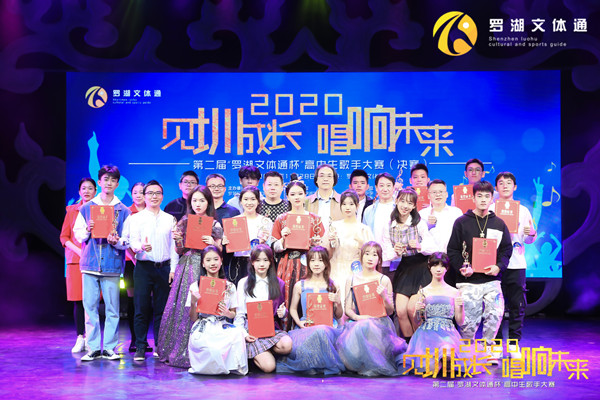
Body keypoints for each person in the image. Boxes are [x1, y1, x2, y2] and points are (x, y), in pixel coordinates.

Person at [447, 180, 513, 364]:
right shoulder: (461, 222)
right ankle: (466, 351)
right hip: (468, 280)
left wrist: (498, 266)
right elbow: (452, 250)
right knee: (468, 320)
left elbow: (506, 249)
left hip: (492, 280)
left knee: (495, 314)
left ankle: (488, 351)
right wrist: (462, 267)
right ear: (473, 198)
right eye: (480, 196)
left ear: (492, 199)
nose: (483, 199)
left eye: (487, 196)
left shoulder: (499, 223)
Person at [157, 185, 223, 368]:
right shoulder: (184, 221)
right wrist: (177, 239)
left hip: (205, 268)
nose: (198, 204)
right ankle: (179, 349)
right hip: (186, 267)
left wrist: (213, 243)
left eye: (202, 200)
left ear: (208, 202)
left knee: (204, 306)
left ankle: (203, 352)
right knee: (182, 307)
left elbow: (220, 251)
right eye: (194, 200)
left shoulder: (215, 224)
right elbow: (179, 250)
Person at [73, 165, 131, 361]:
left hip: (112, 265)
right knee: (90, 308)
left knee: (113, 309)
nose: (109, 183)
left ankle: (109, 348)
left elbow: (127, 240)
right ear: (99, 182)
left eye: (113, 180)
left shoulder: (123, 210)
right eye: (106, 179)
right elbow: (78, 235)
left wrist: (117, 241)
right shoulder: (86, 208)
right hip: (90, 265)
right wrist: (88, 230)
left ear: (117, 184)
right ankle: (93, 348)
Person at [336, 242, 407, 376]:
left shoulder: (384, 280)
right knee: (363, 326)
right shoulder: (352, 279)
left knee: (368, 326)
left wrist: (384, 296)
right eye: (367, 254)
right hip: (359, 322)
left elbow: (390, 311)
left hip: (380, 323)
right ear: (361, 256)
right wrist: (358, 317)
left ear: (379, 259)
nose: (370, 258)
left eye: (374, 255)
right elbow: (347, 309)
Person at [127, 180, 179, 362]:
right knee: (141, 308)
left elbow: (173, 247)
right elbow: (131, 240)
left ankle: (160, 345)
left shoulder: (170, 219)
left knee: (162, 310)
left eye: (157, 193)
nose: (154, 196)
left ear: (162, 196)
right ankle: (141, 346)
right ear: (144, 196)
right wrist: (140, 247)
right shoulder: (135, 218)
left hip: (164, 267)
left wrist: (173, 269)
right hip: (143, 267)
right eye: (150, 193)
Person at [276, 246, 345, 375]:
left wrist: (338, 302)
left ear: (326, 263)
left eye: (320, 260)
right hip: (306, 327)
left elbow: (339, 315)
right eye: (312, 260)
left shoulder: (333, 285)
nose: (316, 264)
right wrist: (299, 322)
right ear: (308, 263)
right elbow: (293, 309)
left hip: (327, 328)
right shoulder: (300, 285)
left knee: (322, 332)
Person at [490, 172, 537, 359]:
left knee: (517, 306)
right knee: (495, 307)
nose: (505, 186)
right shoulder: (490, 209)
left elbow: (529, 239)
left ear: (515, 187)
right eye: (501, 183)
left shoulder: (523, 210)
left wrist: (531, 233)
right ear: (496, 188)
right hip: (494, 265)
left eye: (509, 183)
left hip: (516, 264)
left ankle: (513, 344)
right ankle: (495, 345)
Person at [382, 188, 436, 342]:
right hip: (404, 268)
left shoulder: (419, 224)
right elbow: (386, 254)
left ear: (414, 206)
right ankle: (409, 345)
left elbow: (433, 248)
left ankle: (420, 344)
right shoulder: (389, 225)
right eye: (402, 201)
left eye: (410, 203)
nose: (405, 206)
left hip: (421, 267)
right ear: (396, 201)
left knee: (413, 309)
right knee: (400, 311)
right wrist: (396, 252)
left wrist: (419, 246)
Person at [399, 253, 465, 376]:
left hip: (447, 332)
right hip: (427, 333)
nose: (438, 269)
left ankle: (444, 362)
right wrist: (417, 311)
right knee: (428, 366)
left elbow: (460, 322)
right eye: (435, 265)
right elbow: (417, 321)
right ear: (429, 267)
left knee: (447, 349)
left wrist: (461, 307)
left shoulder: (455, 292)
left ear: (447, 268)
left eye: (442, 266)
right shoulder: (423, 291)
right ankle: (440, 364)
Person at [187, 246, 248, 375]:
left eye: (216, 259)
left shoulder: (229, 286)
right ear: (203, 263)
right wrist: (193, 302)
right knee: (212, 347)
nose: (213, 263)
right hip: (204, 325)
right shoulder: (195, 286)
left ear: (221, 261)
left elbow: (233, 313)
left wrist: (226, 313)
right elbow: (193, 318)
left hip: (221, 324)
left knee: (238, 334)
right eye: (208, 260)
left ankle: (230, 367)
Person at [271, 180, 325, 317]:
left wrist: (316, 244)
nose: (297, 197)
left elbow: (323, 247)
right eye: (293, 194)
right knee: (287, 299)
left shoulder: (315, 219)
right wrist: (282, 239)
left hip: (309, 265)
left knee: (308, 298)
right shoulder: (281, 219)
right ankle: (287, 327)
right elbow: (273, 247)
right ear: (287, 196)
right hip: (287, 265)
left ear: (305, 195)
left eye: (300, 194)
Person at [235, 244, 292, 373]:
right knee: (269, 367)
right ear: (252, 262)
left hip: (270, 329)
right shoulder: (243, 283)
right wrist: (244, 334)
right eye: (258, 260)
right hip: (251, 331)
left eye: (265, 260)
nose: (262, 264)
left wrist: (283, 313)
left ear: (270, 262)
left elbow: (282, 310)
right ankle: (257, 353)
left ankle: (262, 350)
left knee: (287, 344)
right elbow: (239, 314)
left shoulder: (279, 283)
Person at [60, 177, 96, 353]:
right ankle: (80, 337)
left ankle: (91, 337)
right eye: (84, 188)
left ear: (95, 191)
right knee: (79, 300)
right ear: (79, 191)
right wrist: (79, 251)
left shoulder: (100, 209)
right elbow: (64, 237)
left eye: (90, 188)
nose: (86, 191)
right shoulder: (72, 210)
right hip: (75, 260)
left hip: (95, 260)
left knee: (92, 301)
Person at [327, 190, 374, 306]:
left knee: (353, 306)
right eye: (344, 204)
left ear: (357, 206)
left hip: (356, 272)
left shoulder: (364, 229)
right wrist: (331, 243)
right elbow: (326, 253)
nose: (347, 207)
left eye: (351, 204)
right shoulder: (334, 226)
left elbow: (372, 255)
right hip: (335, 271)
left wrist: (362, 246)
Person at [222, 185, 273, 287]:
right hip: (238, 265)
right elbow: (227, 250)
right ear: (241, 201)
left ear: (258, 201)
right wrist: (225, 243)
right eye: (245, 199)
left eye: (253, 199)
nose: (249, 203)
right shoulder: (233, 222)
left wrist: (264, 243)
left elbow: (270, 247)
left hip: (260, 264)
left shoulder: (266, 222)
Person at [418, 179, 463, 286]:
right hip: (429, 261)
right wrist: (428, 226)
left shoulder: (456, 212)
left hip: (451, 260)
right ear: (428, 195)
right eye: (434, 192)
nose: (438, 195)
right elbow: (419, 238)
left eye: (441, 192)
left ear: (446, 194)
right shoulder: (422, 214)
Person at [124, 182, 145, 352]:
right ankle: (134, 339)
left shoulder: (152, 212)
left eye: (141, 192)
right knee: (132, 301)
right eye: (135, 192)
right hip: (131, 263)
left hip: (148, 262)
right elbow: (124, 239)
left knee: (147, 302)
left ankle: (144, 339)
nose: (138, 195)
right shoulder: (126, 213)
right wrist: (133, 257)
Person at [363, 173, 396, 255]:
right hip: (374, 257)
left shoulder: (400, 209)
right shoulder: (369, 210)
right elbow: (365, 236)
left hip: (396, 257)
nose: (385, 189)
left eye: (388, 186)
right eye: (381, 185)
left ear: (393, 188)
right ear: (376, 188)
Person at [306, 164, 343, 232]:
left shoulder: (343, 201)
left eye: (329, 176)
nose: (325, 179)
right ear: (316, 179)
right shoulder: (306, 202)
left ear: (334, 180)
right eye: (322, 176)